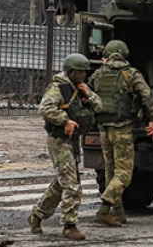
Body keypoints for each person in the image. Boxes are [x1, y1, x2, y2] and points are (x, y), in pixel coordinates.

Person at [29, 53, 102, 241]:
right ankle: (70, 225)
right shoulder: (58, 88)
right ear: (72, 72)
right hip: (59, 140)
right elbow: (45, 109)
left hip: (72, 141)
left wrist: (88, 94)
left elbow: (100, 106)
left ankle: (37, 215)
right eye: (81, 72)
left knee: (61, 184)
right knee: (71, 185)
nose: (84, 75)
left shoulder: (79, 88)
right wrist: (65, 120)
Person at [89, 39, 153, 227]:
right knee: (124, 174)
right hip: (122, 129)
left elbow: (88, 95)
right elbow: (147, 96)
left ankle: (119, 213)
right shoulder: (131, 74)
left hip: (104, 129)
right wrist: (152, 120)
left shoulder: (98, 74)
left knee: (111, 172)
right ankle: (104, 209)